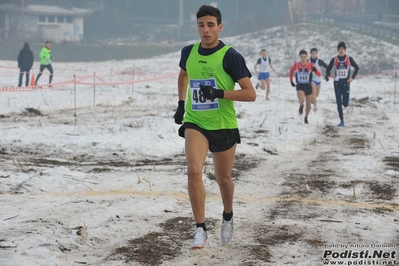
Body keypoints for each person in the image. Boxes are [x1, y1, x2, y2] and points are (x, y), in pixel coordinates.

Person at [173, 5, 256, 249]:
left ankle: (228, 215)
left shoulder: (231, 56)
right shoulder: (188, 52)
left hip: (223, 124)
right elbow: (183, 75)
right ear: (197, 26)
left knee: (223, 179)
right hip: (196, 122)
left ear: (220, 26)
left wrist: (219, 92)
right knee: (193, 170)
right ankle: (200, 229)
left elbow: (250, 94)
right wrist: (180, 103)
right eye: (201, 25)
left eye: (210, 25)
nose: (206, 30)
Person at [325, 42, 360, 126]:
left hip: (346, 84)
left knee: (345, 104)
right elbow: (327, 70)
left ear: (345, 50)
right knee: (339, 103)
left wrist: (352, 78)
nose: (341, 50)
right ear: (338, 50)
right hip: (337, 84)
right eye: (340, 48)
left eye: (343, 48)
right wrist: (330, 74)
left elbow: (357, 68)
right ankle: (342, 121)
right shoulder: (334, 59)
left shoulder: (349, 59)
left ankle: (343, 102)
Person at [289, 50, 321, 124]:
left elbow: (318, 74)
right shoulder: (297, 65)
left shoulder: (310, 65)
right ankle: (301, 106)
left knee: (308, 104)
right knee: (302, 100)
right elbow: (291, 71)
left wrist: (316, 70)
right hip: (300, 86)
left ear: (307, 57)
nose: (303, 58)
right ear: (300, 57)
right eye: (301, 57)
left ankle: (306, 117)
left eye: (304, 57)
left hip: (308, 86)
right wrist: (291, 81)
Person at [309, 48, 328, 112]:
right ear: (310, 54)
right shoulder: (307, 61)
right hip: (311, 80)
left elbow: (327, 67)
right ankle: (315, 106)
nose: (314, 55)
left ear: (317, 54)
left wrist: (327, 74)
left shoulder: (319, 61)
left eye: (315, 53)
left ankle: (311, 100)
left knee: (316, 95)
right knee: (313, 92)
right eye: (313, 53)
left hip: (318, 80)